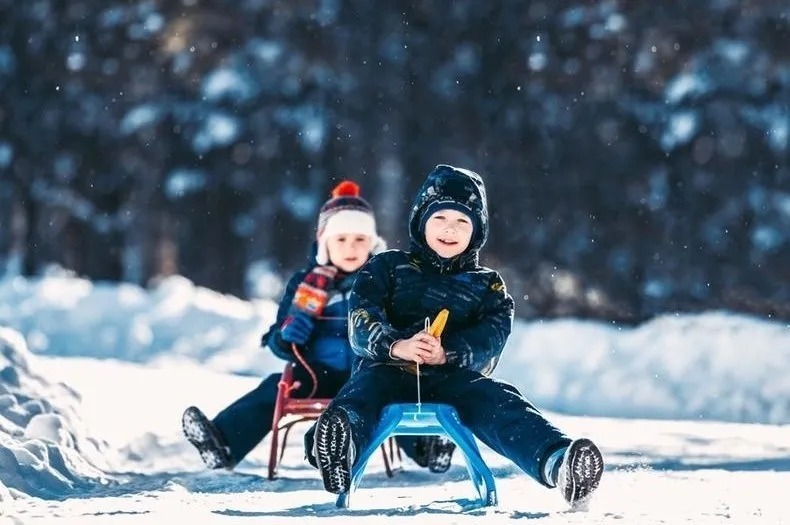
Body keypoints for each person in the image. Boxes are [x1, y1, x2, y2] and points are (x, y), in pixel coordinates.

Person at [308, 165, 604, 509]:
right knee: (361, 395)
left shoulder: (486, 284)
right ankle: (339, 449)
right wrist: (396, 345)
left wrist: (448, 352)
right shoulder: (387, 267)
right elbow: (361, 318)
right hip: (385, 369)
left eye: (463, 221)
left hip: (454, 377)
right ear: (421, 221)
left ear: (477, 231)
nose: (450, 229)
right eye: (440, 218)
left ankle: (557, 462)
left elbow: (492, 335)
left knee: (499, 400)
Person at [181, 180, 453, 473]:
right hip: (317, 374)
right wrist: (287, 336)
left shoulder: (385, 282)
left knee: (398, 391)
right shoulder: (305, 285)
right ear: (325, 243)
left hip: (371, 372)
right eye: (341, 239)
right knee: (276, 386)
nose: (351, 247)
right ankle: (222, 442)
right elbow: (276, 340)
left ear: (373, 244)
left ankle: (429, 447)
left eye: (360, 239)